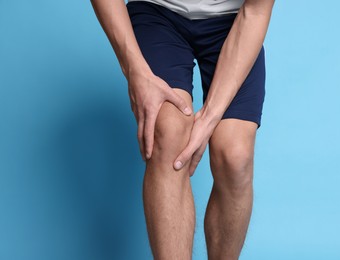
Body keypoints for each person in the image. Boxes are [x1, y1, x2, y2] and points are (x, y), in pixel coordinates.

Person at [90, 0, 274, 259]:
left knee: (235, 156)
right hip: (157, 13)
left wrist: (210, 117)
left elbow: (256, 11)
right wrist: (135, 70)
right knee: (168, 133)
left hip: (234, 22)